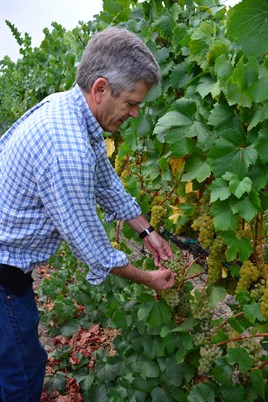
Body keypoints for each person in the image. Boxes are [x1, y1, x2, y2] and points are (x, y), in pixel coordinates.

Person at [0, 27, 175, 401]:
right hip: (4, 277)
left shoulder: (69, 108)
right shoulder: (66, 151)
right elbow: (95, 253)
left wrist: (146, 230)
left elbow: (104, 178)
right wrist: (149, 278)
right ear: (99, 89)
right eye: (131, 103)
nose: (135, 113)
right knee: (22, 374)